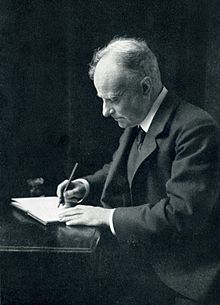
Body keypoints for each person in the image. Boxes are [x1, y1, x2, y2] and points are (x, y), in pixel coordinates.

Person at [57, 37, 220, 305]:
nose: (105, 112)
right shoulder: (138, 118)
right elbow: (121, 167)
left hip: (184, 282)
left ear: (145, 87)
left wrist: (106, 216)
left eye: (113, 100)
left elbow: (180, 214)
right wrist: (85, 185)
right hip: (146, 265)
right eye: (102, 99)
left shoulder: (196, 128)